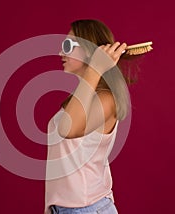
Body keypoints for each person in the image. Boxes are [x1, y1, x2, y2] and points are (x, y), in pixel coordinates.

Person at [45, 19, 132, 214]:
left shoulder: (105, 99)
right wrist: (50, 207)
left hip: (89, 209)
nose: (61, 53)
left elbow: (69, 129)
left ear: (88, 50)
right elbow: (60, 164)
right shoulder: (81, 97)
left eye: (68, 46)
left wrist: (96, 68)